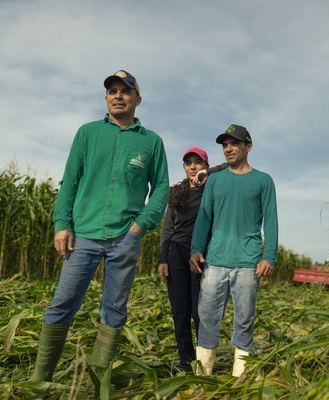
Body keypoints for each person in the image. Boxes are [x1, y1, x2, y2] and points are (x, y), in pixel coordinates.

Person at [30, 70, 169, 382]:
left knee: (115, 310)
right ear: (106, 98)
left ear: (137, 99)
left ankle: (97, 381)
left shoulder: (151, 142)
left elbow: (160, 188)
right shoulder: (87, 133)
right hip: (84, 236)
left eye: (125, 91)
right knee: (62, 304)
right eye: (112, 91)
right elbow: (70, 181)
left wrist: (139, 227)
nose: (118, 96)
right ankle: (40, 381)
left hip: (125, 238)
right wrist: (62, 224)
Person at [189, 124, 278, 377]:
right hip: (215, 260)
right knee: (206, 317)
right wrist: (196, 248)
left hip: (248, 262)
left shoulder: (263, 181)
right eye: (225, 145)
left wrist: (268, 256)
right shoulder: (215, 180)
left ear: (248, 146)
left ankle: (240, 377)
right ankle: (203, 375)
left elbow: (270, 220)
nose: (228, 148)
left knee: (244, 319)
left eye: (234, 144)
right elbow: (204, 218)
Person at [158, 147, 226, 371]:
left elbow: (231, 165)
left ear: (205, 165)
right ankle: (185, 361)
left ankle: (203, 360)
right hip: (176, 254)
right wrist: (162, 259)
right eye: (189, 163)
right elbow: (168, 228)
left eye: (198, 162)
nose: (193, 167)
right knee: (180, 312)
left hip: (202, 256)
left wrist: (208, 173)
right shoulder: (177, 192)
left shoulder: (213, 188)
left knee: (200, 311)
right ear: (184, 167)